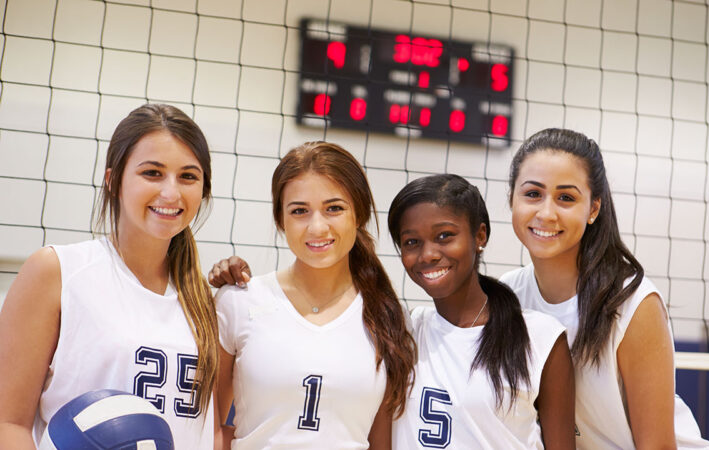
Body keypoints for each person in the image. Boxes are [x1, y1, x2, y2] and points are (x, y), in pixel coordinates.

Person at [0, 104, 219, 449]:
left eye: (188, 176)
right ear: (113, 180)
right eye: (152, 173)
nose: (171, 193)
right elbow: (8, 422)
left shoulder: (205, 300)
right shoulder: (57, 271)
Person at [500, 128, 709, 449]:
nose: (546, 212)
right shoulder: (507, 296)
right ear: (512, 200)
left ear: (593, 209)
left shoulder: (632, 303)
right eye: (532, 194)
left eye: (566, 198)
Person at [212, 141, 416, 449]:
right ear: (281, 220)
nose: (317, 227)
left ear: (357, 214)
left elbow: (381, 442)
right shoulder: (239, 301)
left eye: (334, 208)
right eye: (299, 211)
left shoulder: (387, 316)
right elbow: (213, 427)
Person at [386, 174, 575, 449]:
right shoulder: (404, 333)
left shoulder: (540, 337)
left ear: (479, 236)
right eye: (412, 242)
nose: (428, 254)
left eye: (444, 236)